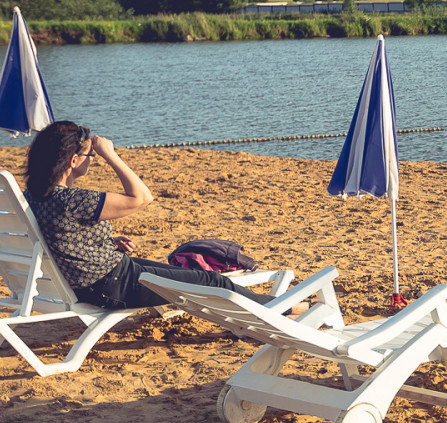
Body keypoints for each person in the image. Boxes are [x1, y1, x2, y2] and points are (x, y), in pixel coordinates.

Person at [25, 121, 281, 310]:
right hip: (112, 285)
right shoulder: (73, 201)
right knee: (212, 281)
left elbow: (58, 236)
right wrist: (111, 155)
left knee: (196, 278)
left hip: (96, 279)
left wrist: (106, 243)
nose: (92, 159)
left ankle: (274, 306)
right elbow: (142, 197)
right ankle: (283, 310)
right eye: (90, 156)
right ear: (72, 161)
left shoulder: (34, 196)